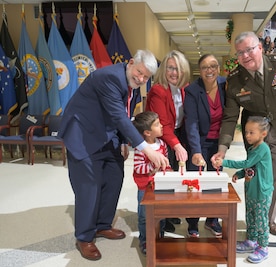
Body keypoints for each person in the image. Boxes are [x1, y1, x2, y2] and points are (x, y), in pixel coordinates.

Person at [58, 50, 169, 261]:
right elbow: (118, 114)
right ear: (130, 63)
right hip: (83, 136)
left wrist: (123, 142)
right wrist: (144, 148)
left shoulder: (132, 85)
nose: (141, 79)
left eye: (146, 77)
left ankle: (102, 225)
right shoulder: (109, 77)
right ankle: (84, 236)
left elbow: (124, 114)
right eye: (139, 72)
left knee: (114, 177)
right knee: (89, 187)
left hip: (107, 136)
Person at [211, 31, 276, 236]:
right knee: (253, 178)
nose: (245, 56)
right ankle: (254, 222)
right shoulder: (236, 79)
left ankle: (268, 221)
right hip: (255, 136)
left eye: (249, 50)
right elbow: (230, 117)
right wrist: (223, 149)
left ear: (260, 48)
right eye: (240, 53)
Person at [214, 116, 273, 264]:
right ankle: (251, 241)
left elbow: (247, 162)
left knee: (261, 221)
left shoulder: (262, 148)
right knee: (251, 217)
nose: (247, 136)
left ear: (263, 134)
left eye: (251, 133)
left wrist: (225, 162)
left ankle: (263, 247)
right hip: (251, 190)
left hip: (261, 192)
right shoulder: (253, 148)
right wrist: (240, 174)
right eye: (246, 132)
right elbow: (251, 167)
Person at [146, 50, 191, 232]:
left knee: (172, 175)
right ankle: (160, 219)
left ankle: (169, 213)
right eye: (171, 68)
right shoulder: (158, 90)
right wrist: (177, 145)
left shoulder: (182, 88)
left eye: (178, 69)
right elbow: (163, 124)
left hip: (175, 134)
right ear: (164, 69)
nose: (174, 73)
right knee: (161, 178)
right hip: (159, 139)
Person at [183, 54, 226, 238]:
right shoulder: (192, 90)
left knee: (215, 182)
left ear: (218, 68)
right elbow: (191, 123)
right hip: (198, 141)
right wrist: (196, 151)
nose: (210, 71)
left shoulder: (225, 85)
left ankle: (212, 219)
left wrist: (223, 148)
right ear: (199, 71)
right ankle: (193, 222)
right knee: (195, 182)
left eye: (213, 66)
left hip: (218, 143)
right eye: (205, 67)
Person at [132, 111, 169, 255]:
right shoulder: (141, 149)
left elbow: (165, 161)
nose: (161, 126)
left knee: (162, 213)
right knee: (144, 216)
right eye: (157, 125)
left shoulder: (162, 144)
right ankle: (145, 240)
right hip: (145, 187)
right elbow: (138, 167)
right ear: (147, 132)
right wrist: (153, 167)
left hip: (160, 186)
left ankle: (160, 236)